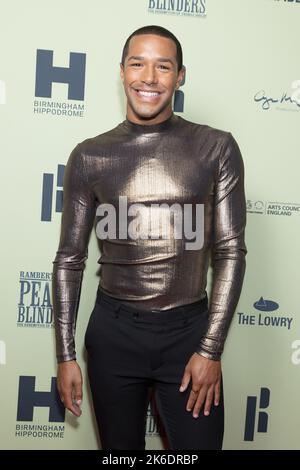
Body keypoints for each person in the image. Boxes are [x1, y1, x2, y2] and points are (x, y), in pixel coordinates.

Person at [52, 25, 247, 450]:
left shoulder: (216, 148)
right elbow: (69, 258)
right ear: (122, 71)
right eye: (137, 64)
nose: (149, 77)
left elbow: (230, 252)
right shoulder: (90, 155)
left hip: (189, 334)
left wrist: (210, 350)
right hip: (113, 334)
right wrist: (65, 354)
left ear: (180, 76)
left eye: (163, 66)